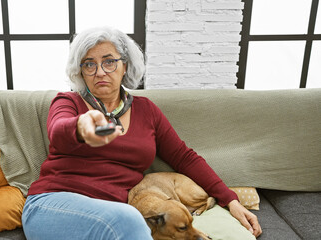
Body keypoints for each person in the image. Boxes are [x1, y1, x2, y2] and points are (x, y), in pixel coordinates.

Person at [21, 26, 262, 239]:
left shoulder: (147, 111)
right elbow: (58, 130)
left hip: (115, 216)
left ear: (125, 65)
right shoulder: (68, 102)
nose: (100, 72)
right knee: (128, 219)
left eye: (109, 61)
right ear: (80, 71)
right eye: (89, 64)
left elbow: (183, 157)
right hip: (54, 205)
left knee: (128, 220)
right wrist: (83, 127)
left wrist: (229, 199)